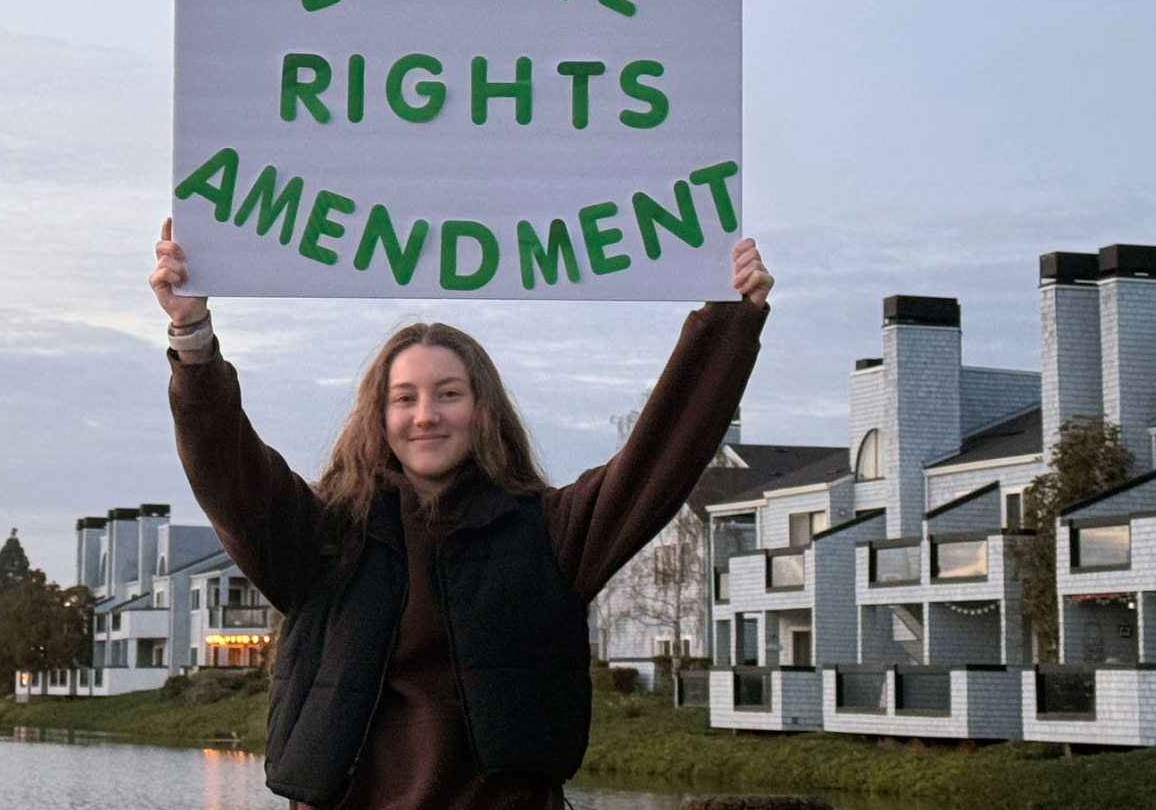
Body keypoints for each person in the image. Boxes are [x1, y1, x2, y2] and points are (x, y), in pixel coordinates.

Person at [150, 219, 773, 810]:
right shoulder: (322, 537)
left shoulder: (548, 533)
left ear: (483, 410)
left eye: (449, 393)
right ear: (380, 416)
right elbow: (229, 473)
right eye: (405, 398)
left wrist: (729, 320)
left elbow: (658, 457)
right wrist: (193, 339)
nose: (427, 414)